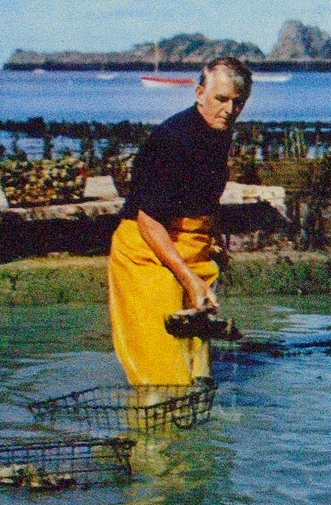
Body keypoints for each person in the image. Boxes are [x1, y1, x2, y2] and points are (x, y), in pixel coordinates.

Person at [108, 56, 252, 386]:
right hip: (146, 252)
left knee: (199, 369)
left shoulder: (220, 134)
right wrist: (188, 279)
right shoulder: (172, 141)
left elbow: (205, 199)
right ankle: (151, 433)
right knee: (162, 370)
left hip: (190, 248)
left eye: (238, 102)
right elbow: (149, 221)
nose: (229, 110)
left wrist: (216, 241)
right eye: (221, 99)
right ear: (200, 92)